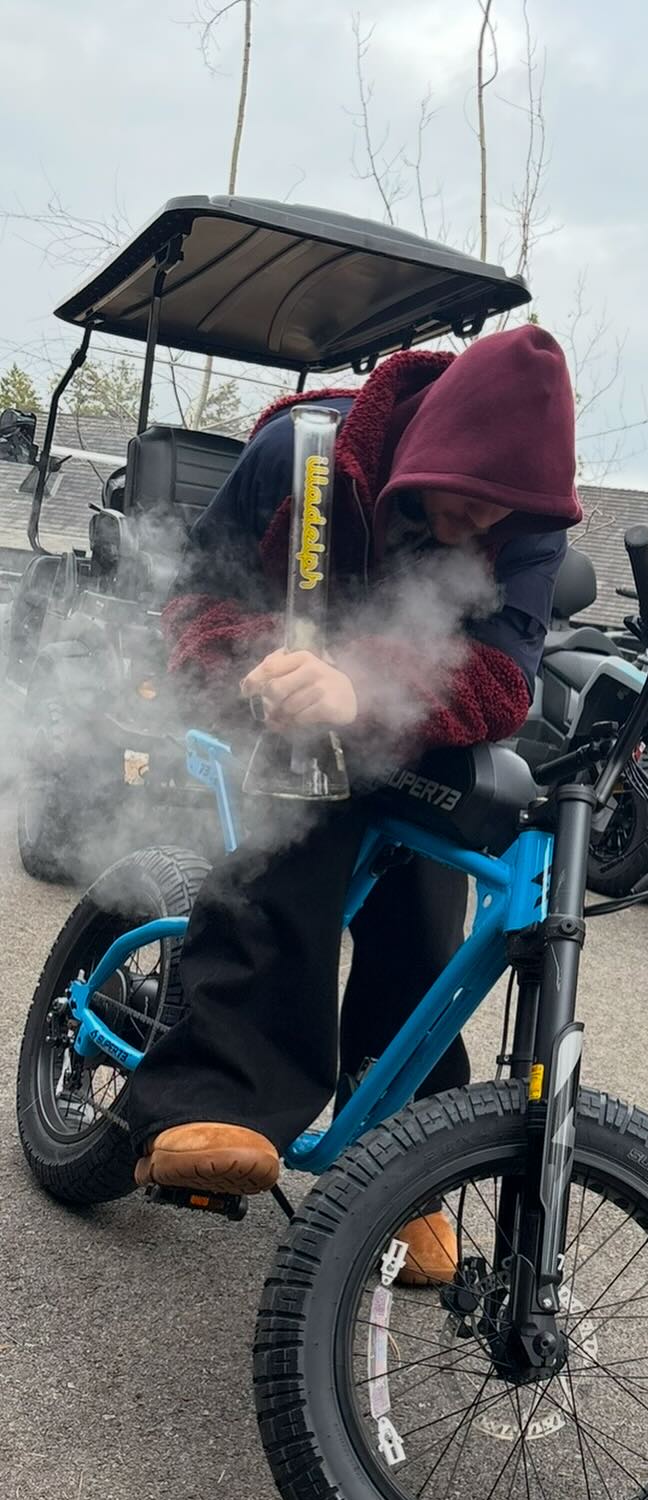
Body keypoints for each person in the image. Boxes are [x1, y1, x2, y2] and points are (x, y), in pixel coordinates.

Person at [126, 325, 579, 1273]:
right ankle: (220, 1092)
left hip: (399, 720)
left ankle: (403, 1153)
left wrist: (362, 686)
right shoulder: (302, 451)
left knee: (437, 864)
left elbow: (502, 678)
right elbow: (190, 600)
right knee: (304, 801)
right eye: (470, 505)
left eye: (506, 521)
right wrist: (263, 663)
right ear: (434, 449)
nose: (485, 533)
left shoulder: (528, 522)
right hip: (264, 691)